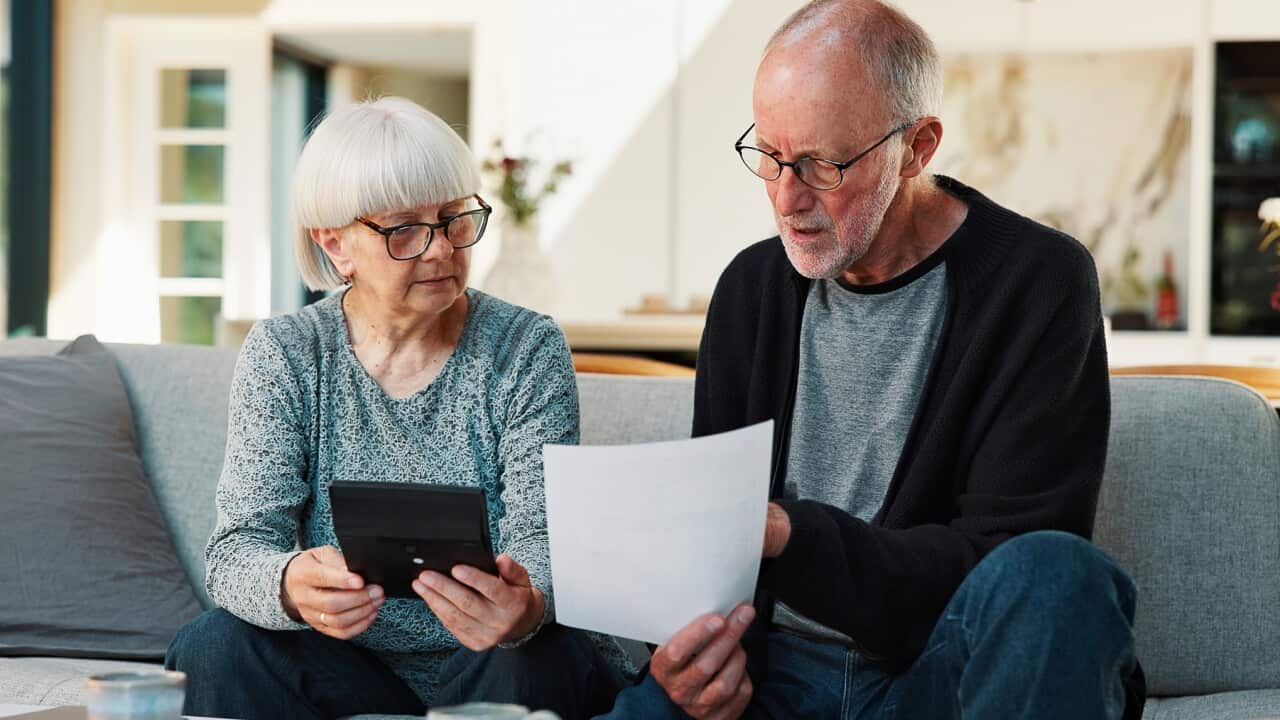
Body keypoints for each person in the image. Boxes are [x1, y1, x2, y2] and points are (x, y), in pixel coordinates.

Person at [598, 2, 1143, 718]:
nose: (787, 198)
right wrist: (692, 659)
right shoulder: (751, 290)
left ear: (917, 147)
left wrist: (794, 536)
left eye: (823, 164)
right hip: (767, 682)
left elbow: (1005, 561)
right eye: (769, 155)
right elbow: (712, 546)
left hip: (933, 673)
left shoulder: (1037, 283)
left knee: (1060, 577)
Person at [165, 97, 631, 720]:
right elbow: (238, 550)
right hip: (351, 670)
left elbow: (543, 548)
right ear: (336, 246)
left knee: (539, 655)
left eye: (454, 219)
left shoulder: (526, 346)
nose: (441, 249)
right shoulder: (288, 353)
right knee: (214, 643)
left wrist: (526, 606)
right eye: (405, 229)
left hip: (503, 661)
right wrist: (289, 586)